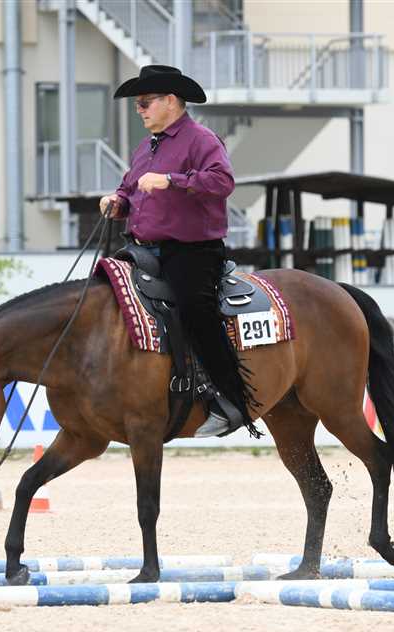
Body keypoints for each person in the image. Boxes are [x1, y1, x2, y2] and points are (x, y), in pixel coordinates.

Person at [99, 64, 260, 438]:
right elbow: (129, 190)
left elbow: (223, 181)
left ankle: (230, 400)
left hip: (192, 250)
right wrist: (116, 201)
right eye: (137, 103)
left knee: (194, 309)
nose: (139, 109)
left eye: (145, 102)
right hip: (141, 248)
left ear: (170, 100)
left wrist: (172, 180)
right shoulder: (145, 147)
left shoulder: (201, 140)